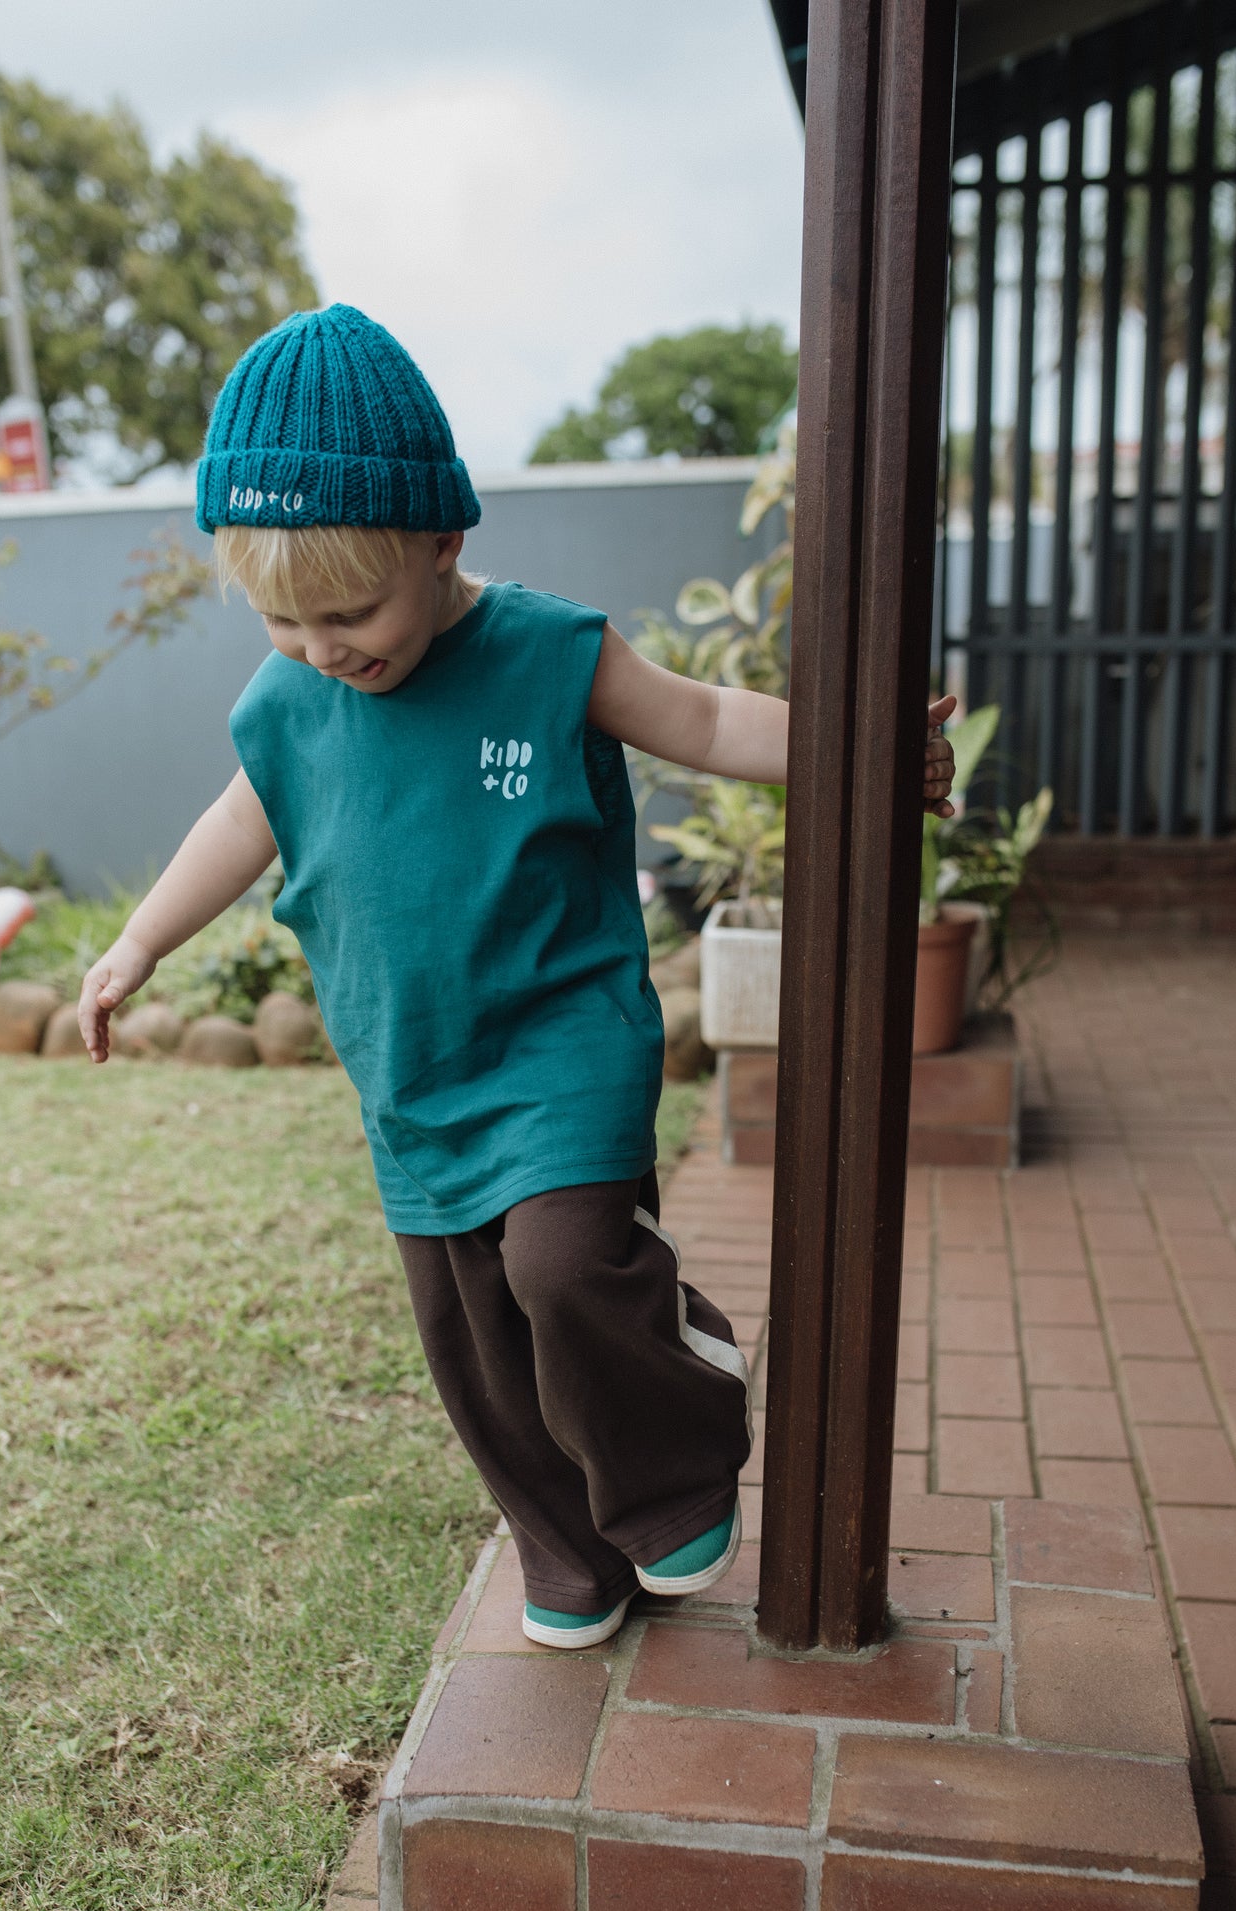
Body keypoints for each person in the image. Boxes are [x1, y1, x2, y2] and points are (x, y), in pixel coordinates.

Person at [78, 305, 957, 1650]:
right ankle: (565, 1550)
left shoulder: (546, 652)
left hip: (559, 1039)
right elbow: (235, 827)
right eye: (280, 619)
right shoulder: (287, 702)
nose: (324, 648)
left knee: (556, 1270)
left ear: (443, 542)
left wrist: (869, 742)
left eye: (351, 609)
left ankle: (666, 1481)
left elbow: (706, 719)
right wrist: (138, 942)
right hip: (412, 1074)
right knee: (475, 1345)